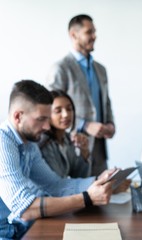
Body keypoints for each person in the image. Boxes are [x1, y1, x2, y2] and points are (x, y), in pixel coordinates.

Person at [0, 80, 116, 239]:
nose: (48, 126)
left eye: (48, 119)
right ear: (18, 116)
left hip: (20, 229)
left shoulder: (29, 144)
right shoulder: (2, 142)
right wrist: (87, 198)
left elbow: (55, 184)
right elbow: (24, 208)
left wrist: (98, 180)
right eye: (41, 119)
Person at [46, 14, 115, 176]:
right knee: (80, 196)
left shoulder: (101, 69)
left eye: (94, 31)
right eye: (89, 32)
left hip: (100, 146)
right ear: (74, 35)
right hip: (73, 145)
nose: (94, 36)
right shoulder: (60, 68)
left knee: (102, 192)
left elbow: (106, 101)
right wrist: (84, 125)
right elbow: (50, 109)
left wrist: (111, 123)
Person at [38, 90, 91, 178]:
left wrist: (84, 152)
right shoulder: (44, 143)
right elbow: (57, 184)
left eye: (69, 109)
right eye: (58, 111)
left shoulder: (66, 138)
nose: (66, 114)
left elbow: (80, 177)